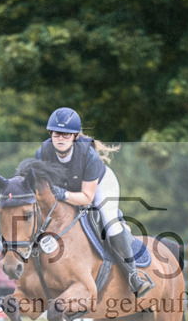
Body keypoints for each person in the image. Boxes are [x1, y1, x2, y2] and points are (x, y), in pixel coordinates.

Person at [33, 106, 153, 296]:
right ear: (51, 134)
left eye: (66, 134)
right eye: (57, 134)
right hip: (67, 189)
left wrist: (62, 194)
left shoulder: (89, 156)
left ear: (74, 136)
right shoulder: (42, 154)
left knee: (110, 222)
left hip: (99, 186)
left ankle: (134, 276)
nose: (61, 138)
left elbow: (87, 198)